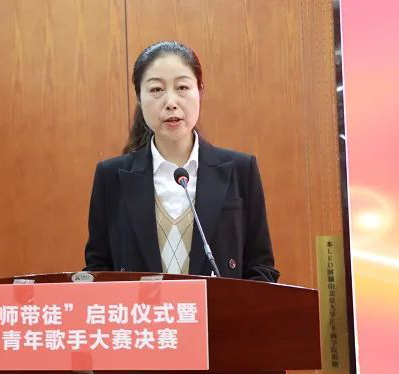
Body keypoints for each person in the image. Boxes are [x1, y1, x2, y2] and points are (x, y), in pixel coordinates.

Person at [84, 41, 279, 282]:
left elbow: (260, 268)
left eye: (182, 87)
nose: (171, 102)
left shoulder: (240, 170)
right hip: (140, 308)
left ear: (200, 91)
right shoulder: (111, 176)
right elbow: (98, 271)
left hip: (218, 308)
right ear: (139, 98)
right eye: (156, 89)